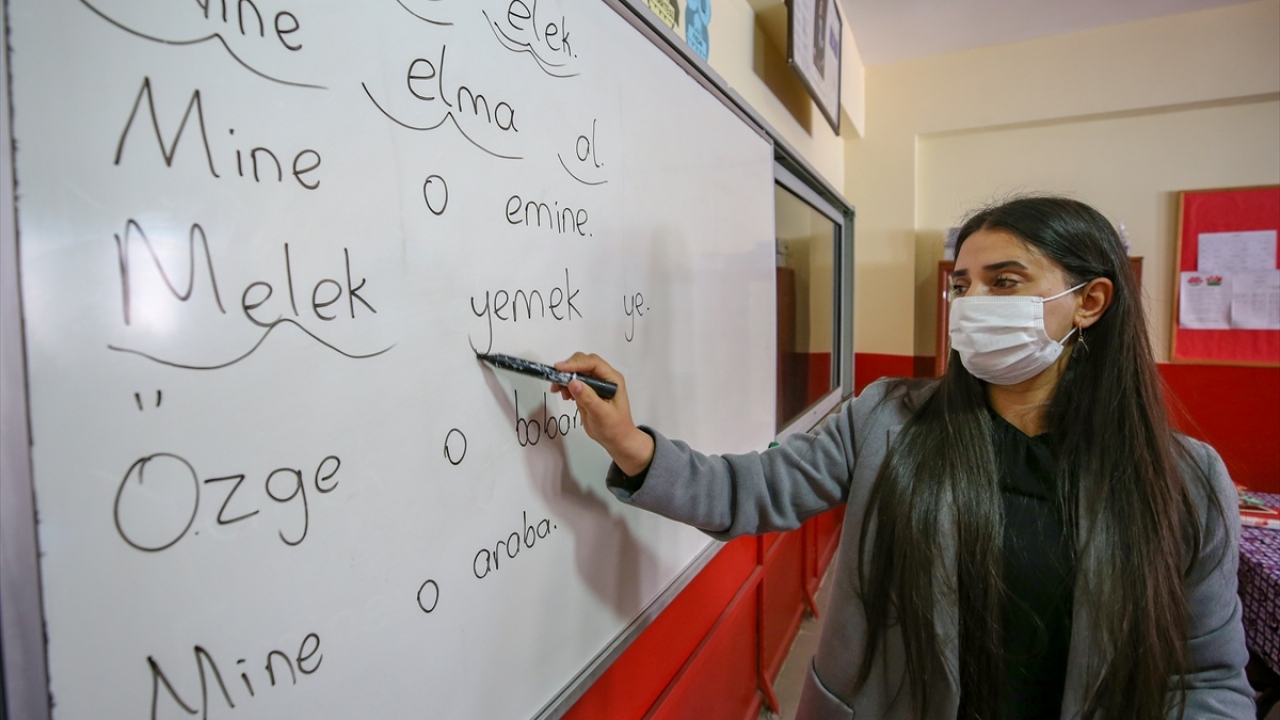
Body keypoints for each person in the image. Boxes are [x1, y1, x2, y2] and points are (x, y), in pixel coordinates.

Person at [551, 196, 1254, 720]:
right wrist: (630, 443)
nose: (972, 302)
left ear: (1091, 302)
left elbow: (1209, 681)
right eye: (963, 283)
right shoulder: (887, 419)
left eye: (1004, 283)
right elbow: (748, 492)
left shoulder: (1185, 481)